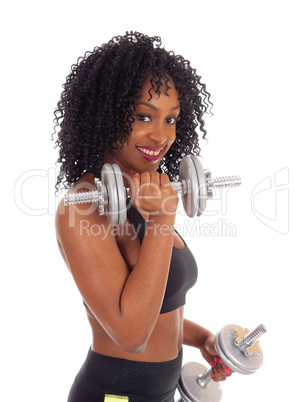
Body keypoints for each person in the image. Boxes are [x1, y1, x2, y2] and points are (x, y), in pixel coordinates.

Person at [54, 31, 232, 402]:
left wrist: (202, 339)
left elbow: (156, 306)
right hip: (113, 394)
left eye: (171, 120)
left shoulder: (145, 192)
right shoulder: (82, 206)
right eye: (142, 116)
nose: (160, 135)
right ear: (104, 114)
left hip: (162, 392)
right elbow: (131, 334)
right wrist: (163, 220)